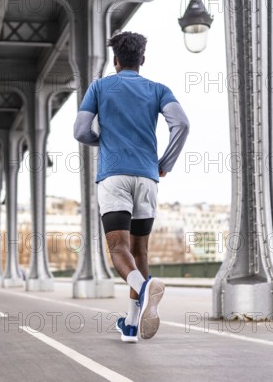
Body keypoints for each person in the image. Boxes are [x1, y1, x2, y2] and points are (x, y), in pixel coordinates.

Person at [73, 32, 190, 343]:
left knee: (118, 249)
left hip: (114, 177)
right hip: (147, 177)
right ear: (142, 60)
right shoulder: (157, 89)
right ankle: (131, 323)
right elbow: (182, 123)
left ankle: (145, 286)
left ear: (115, 61)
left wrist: (104, 139)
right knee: (140, 250)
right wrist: (165, 162)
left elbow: (81, 130)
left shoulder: (99, 87)